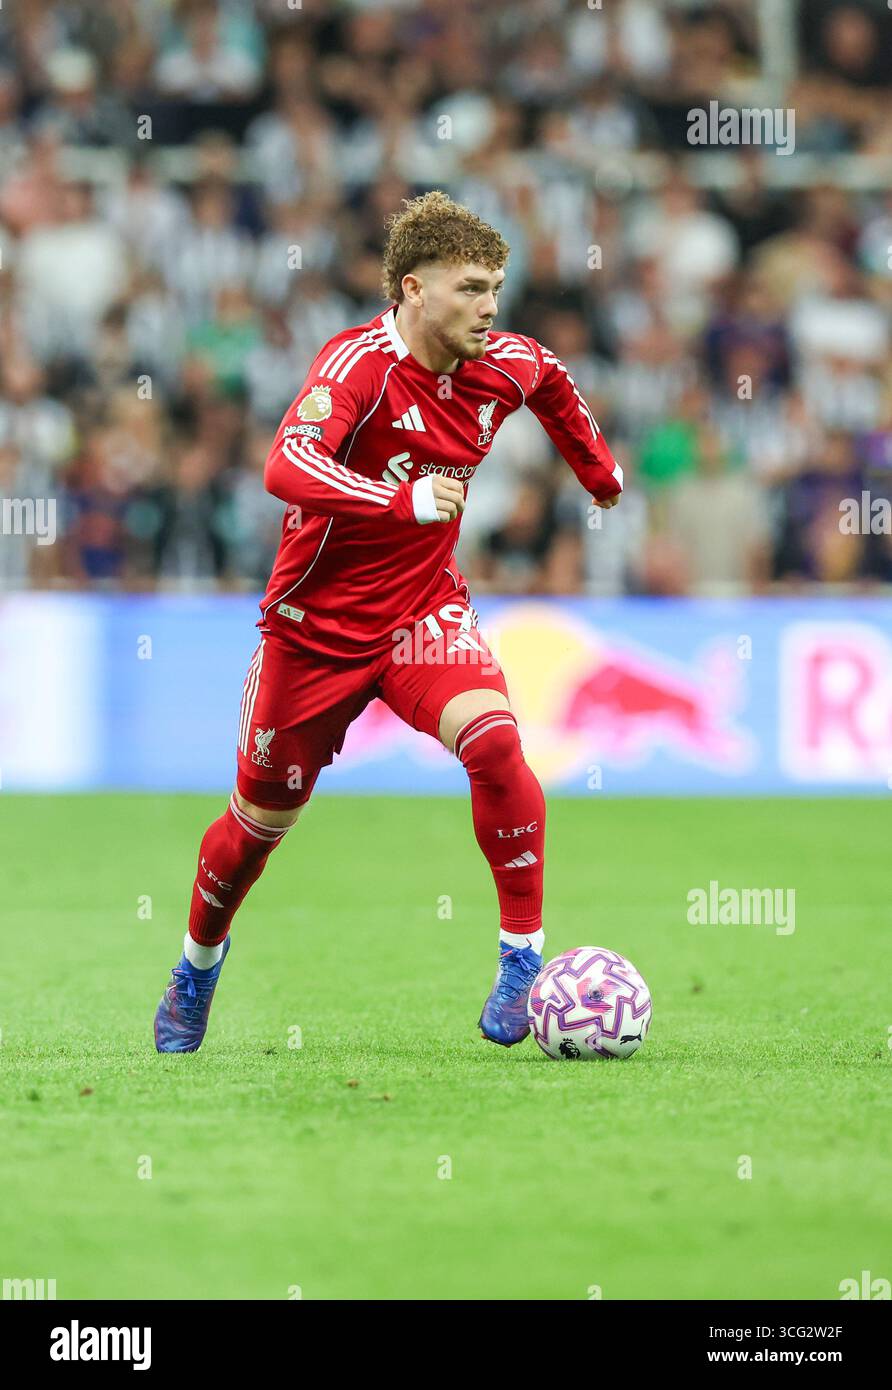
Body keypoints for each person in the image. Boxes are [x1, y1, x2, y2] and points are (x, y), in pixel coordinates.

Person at [153, 190, 622, 1053]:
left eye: (496, 288)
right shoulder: (356, 367)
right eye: (471, 288)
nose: (489, 307)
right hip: (312, 630)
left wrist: (599, 474)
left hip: (421, 611)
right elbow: (285, 464)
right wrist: (395, 497)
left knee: (495, 743)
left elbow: (552, 382)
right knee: (254, 833)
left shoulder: (503, 363)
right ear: (412, 290)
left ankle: (522, 957)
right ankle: (197, 966)